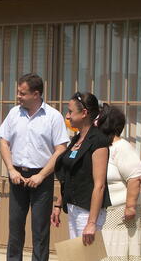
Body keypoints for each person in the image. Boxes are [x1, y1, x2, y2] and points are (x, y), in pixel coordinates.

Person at [0, 73, 69, 261]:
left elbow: (61, 149)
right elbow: (4, 142)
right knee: (15, 229)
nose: (18, 96)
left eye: (22, 93)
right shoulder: (14, 113)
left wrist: (42, 175)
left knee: (40, 230)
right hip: (17, 176)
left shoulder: (53, 116)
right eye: (18, 92)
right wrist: (11, 170)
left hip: (42, 178)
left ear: (36, 94)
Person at [51, 92, 110, 245]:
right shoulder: (76, 139)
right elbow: (70, 175)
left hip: (88, 211)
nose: (67, 116)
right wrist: (58, 204)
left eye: (70, 111)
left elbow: (100, 185)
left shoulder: (98, 140)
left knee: (89, 255)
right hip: (72, 208)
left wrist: (91, 223)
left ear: (84, 113)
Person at [96, 104, 141, 260]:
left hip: (121, 212)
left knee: (117, 251)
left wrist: (130, 206)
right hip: (104, 210)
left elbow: (135, 177)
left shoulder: (122, 147)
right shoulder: (102, 147)